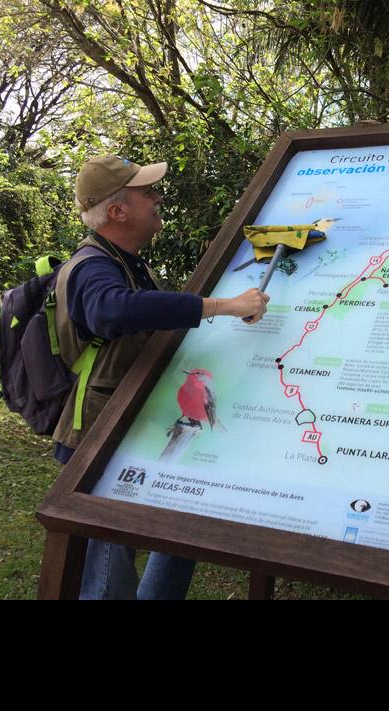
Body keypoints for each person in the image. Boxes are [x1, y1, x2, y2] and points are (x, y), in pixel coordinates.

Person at [54, 155, 269, 599]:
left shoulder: (126, 262)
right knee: (109, 568)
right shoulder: (92, 266)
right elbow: (113, 311)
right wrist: (223, 306)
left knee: (179, 524)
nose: (157, 198)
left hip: (137, 426)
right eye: (146, 192)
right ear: (117, 211)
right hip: (99, 434)